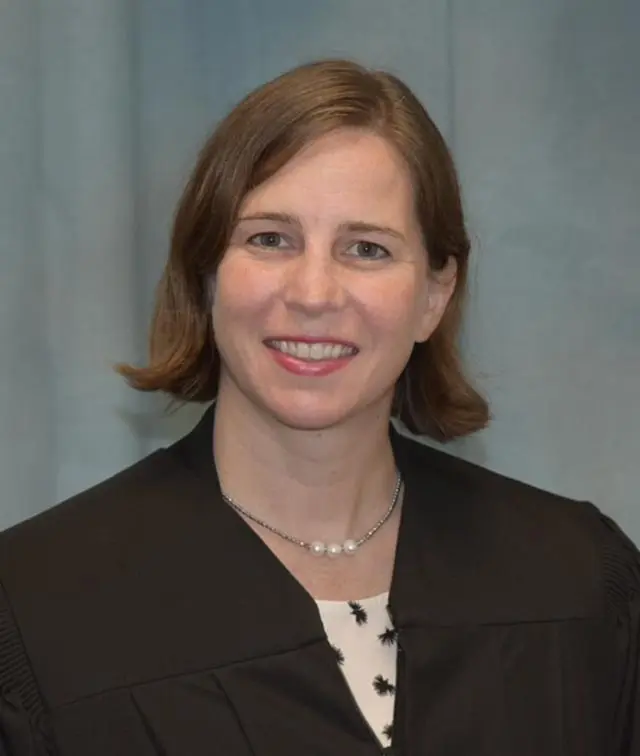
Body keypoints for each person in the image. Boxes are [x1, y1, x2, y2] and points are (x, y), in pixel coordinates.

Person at [0, 59, 638, 756]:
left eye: (366, 249)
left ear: (434, 294)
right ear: (206, 271)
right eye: (269, 239)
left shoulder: (575, 582)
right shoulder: (39, 608)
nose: (313, 293)